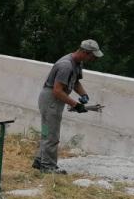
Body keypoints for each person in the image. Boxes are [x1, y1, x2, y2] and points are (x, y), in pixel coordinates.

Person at [32, 39, 103, 174]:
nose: (93, 59)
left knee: (47, 132)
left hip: (53, 99)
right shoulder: (66, 65)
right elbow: (57, 91)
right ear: (85, 52)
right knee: (52, 135)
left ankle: (39, 160)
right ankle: (48, 167)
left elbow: (75, 82)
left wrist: (83, 94)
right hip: (51, 100)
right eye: (92, 56)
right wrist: (76, 105)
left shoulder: (77, 63)